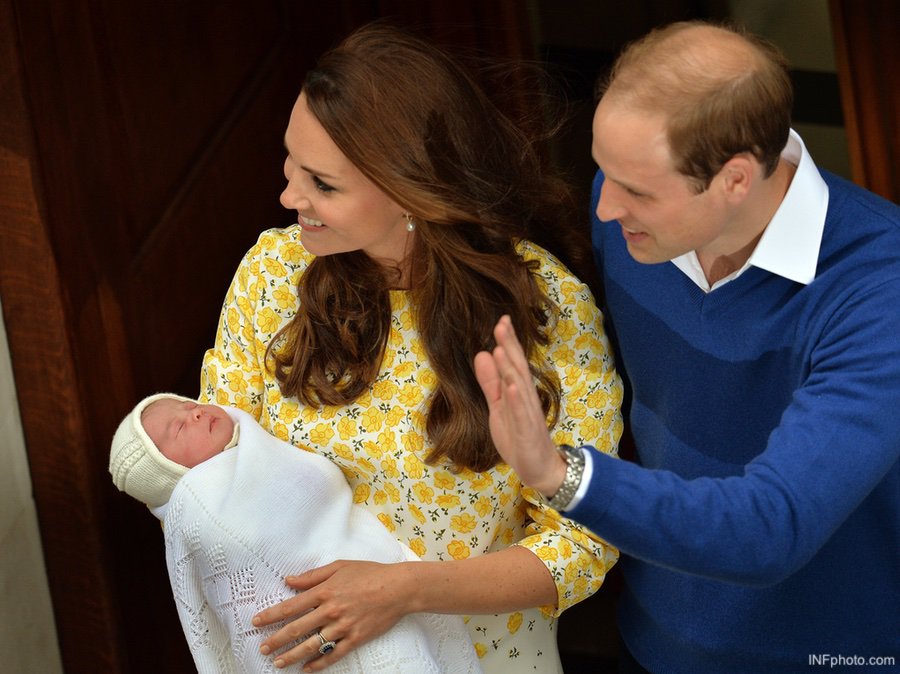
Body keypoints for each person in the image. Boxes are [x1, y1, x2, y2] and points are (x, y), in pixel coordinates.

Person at [474, 20, 900, 674]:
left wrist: (561, 475)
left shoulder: (879, 290)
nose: (606, 207)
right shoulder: (631, 220)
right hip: (651, 639)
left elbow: (769, 529)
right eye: (603, 172)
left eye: (637, 189)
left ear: (734, 179)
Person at [198, 20, 624, 674]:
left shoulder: (547, 312)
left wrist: (404, 590)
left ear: (412, 190)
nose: (289, 196)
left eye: (323, 184)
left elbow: (581, 545)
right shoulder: (271, 276)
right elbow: (213, 476)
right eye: (290, 163)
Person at [108, 393, 483, 674]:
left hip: (373, 587)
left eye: (187, 406)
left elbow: (316, 496)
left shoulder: (256, 449)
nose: (195, 413)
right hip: (320, 624)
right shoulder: (202, 504)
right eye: (179, 427)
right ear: (171, 473)